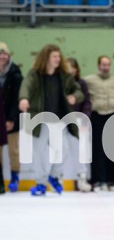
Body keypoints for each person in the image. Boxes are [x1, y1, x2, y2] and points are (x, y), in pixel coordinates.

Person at [18, 44, 84, 196]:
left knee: (65, 149)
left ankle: (54, 176)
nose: (58, 59)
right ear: (46, 58)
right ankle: (40, 183)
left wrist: (75, 97)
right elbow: (25, 86)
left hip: (58, 120)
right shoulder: (35, 74)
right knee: (39, 152)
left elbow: (78, 90)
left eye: (59, 56)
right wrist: (23, 98)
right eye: (54, 56)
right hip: (39, 120)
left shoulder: (64, 75)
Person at [85, 55, 114, 192]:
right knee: (97, 150)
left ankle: (112, 180)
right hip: (97, 116)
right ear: (98, 66)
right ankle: (98, 180)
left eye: (108, 65)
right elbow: (84, 94)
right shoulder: (89, 80)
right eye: (103, 65)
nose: (106, 67)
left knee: (113, 149)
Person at [66, 58, 93, 193]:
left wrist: (84, 119)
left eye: (73, 67)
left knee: (81, 151)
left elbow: (87, 102)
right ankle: (58, 178)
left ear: (77, 69)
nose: (71, 70)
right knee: (61, 150)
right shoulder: (60, 83)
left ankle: (82, 179)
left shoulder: (81, 83)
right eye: (68, 67)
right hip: (63, 121)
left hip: (78, 120)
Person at [0, 42, 23, 192]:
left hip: (10, 116)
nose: (2, 56)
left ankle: (15, 176)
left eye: (5, 54)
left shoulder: (15, 73)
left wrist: (11, 119)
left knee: (13, 149)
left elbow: (17, 98)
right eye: (0, 54)